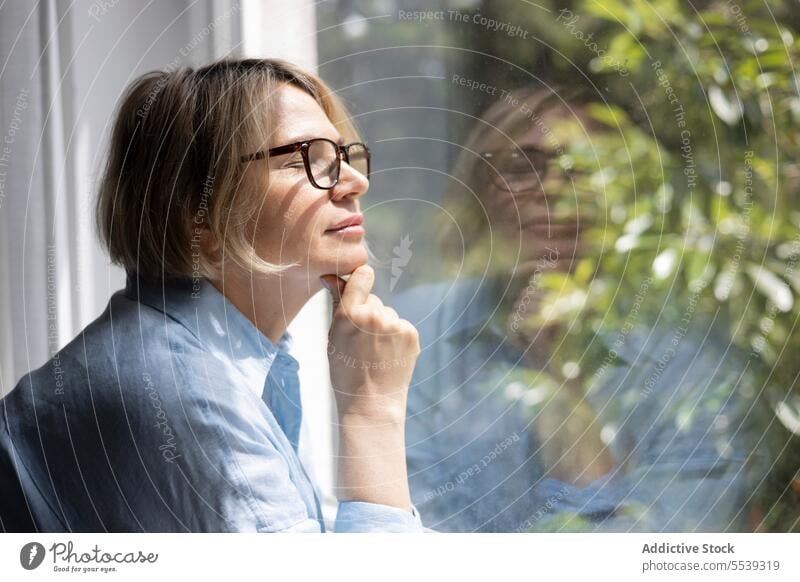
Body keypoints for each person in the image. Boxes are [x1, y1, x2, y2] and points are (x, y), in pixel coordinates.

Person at [0, 59, 423, 532]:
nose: (355, 181)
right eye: (306, 159)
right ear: (196, 215)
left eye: (344, 155)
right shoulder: (188, 393)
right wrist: (372, 409)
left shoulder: (219, 360)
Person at [397, 88, 768, 532]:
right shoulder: (416, 329)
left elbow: (672, 547)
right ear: (478, 188)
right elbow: (409, 533)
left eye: (581, 169)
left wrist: (563, 390)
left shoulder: (693, 360)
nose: (551, 188)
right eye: (522, 166)